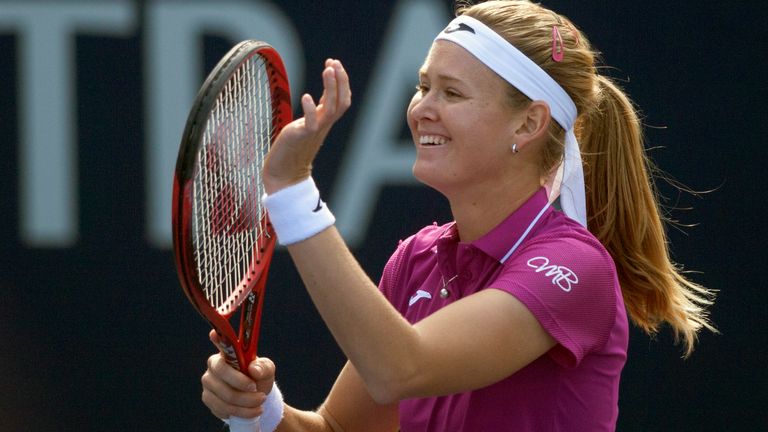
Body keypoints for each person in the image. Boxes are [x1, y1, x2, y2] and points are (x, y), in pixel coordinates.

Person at [200, 1, 716, 430]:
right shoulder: (417, 260)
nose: (422, 107)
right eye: (424, 85)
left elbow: (400, 369)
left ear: (529, 122)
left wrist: (292, 191)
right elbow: (337, 428)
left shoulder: (576, 267)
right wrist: (260, 412)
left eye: (452, 92)